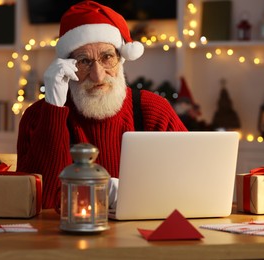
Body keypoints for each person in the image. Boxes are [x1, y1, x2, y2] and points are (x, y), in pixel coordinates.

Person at [16, 0, 187, 209]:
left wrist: (118, 192)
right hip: (64, 239)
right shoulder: (37, 117)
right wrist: (54, 109)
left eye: (107, 57)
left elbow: (187, 186)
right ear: (67, 66)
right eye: (84, 61)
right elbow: (39, 204)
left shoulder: (154, 110)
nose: (97, 76)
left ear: (121, 59)